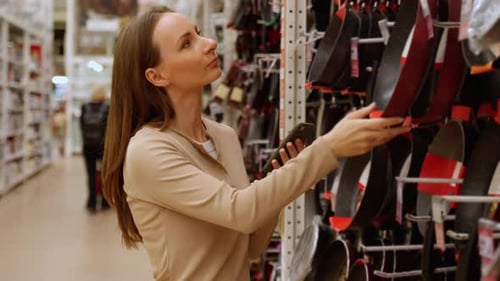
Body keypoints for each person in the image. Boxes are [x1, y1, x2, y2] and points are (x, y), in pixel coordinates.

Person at [102, 6, 410, 281]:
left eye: (198, 34)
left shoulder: (222, 136)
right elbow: (242, 212)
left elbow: (250, 244)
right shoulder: (148, 151)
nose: (209, 43)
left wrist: (286, 175)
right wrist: (328, 149)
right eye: (187, 44)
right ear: (157, 76)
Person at [80, 85, 110, 212]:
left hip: (88, 145)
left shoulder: (84, 107)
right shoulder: (107, 108)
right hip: (103, 146)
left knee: (90, 174)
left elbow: (81, 127)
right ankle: (104, 201)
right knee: (105, 174)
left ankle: (91, 202)